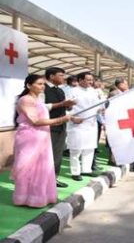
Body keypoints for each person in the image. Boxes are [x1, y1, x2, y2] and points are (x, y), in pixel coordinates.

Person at [12, 74, 72, 207]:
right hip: (29, 137)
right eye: (39, 84)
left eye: (43, 84)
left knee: (42, 168)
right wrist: (61, 120)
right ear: (29, 85)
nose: (42, 86)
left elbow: (44, 112)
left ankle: (38, 197)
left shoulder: (39, 99)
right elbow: (35, 121)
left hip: (42, 136)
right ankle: (23, 198)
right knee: (27, 167)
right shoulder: (25, 100)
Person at [43, 67, 76, 188]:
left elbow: (62, 107)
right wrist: (62, 104)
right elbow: (41, 107)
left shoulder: (60, 91)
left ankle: (54, 178)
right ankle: (43, 179)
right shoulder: (43, 89)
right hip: (48, 126)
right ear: (51, 76)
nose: (63, 78)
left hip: (61, 126)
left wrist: (69, 106)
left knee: (57, 154)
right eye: (61, 75)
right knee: (47, 154)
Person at [66, 72, 101, 181]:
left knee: (89, 148)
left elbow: (99, 104)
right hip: (77, 124)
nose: (90, 82)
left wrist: (100, 109)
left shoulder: (94, 91)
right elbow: (66, 107)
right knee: (76, 149)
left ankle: (86, 170)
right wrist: (72, 118)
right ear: (80, 80)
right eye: (88, 80)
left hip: (91, 123)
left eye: (91, 80)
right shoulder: (71, 91)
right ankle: (75, 172)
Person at [112, 78, 134, 173]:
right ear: (120, 84)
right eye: (126, 84)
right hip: (121, 122)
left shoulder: (129, 93)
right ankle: (127, 163)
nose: (127, 86)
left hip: (132, 121)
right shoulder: (115, 93)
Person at [92, 76, 106, 171]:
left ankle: (93, 163)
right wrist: (102, 121)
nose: (100, 83)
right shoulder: (93, 92)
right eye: (98, 81)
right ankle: (92, 164)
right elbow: (97, 108)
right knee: (92, 144)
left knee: (94, 144)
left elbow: (102, 107)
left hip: (98, 120)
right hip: (94, 120)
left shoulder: (99, 92)